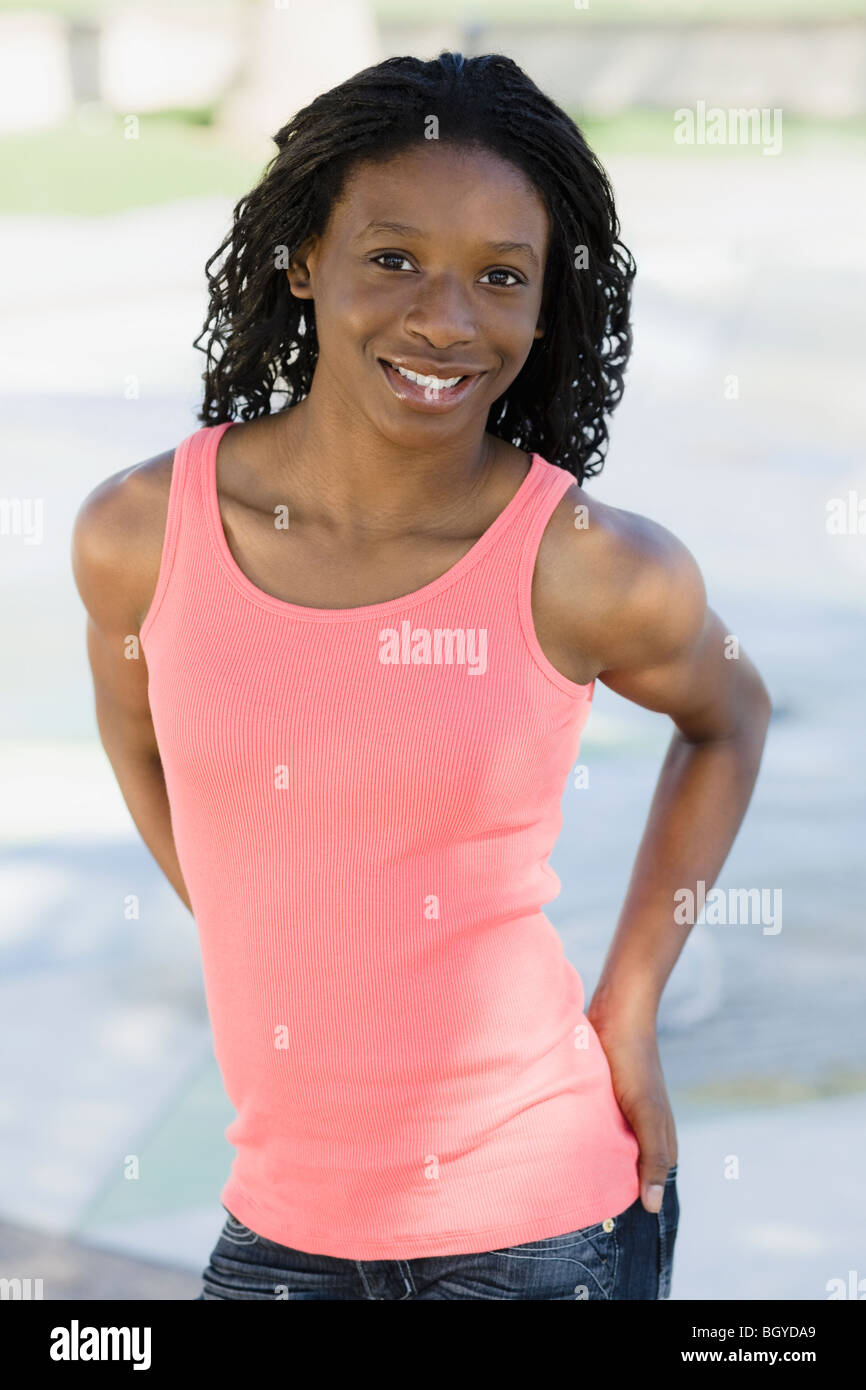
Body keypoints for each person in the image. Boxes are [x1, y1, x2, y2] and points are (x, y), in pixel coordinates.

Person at [71, 51, 772, 1300]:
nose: (445, 321)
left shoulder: (587, 566)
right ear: (303, 262)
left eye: (499, 277)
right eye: (393, 259)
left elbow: (730, 715)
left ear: (545, 304)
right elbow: (139, 738)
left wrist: (629, 1004)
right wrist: (270, 922)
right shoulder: (141, 532)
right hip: (279, 1224)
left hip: (541, 1225)